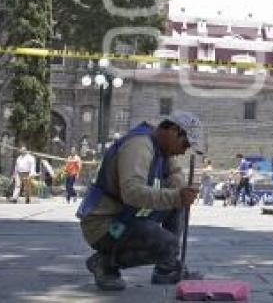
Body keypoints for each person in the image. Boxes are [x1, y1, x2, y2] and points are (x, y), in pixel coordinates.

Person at [77, 112, 204, 291]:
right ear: (174, 131)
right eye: (185, 144)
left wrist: (181, 191)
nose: (184, 151)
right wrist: (177, 196)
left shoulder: (162, 148)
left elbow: (174, 173)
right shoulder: (139, 146)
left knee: (178, 205)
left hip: (126, 216)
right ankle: (105, 263)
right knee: (167, 243)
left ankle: (166, 269)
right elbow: (132, 193)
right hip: (106, 225)